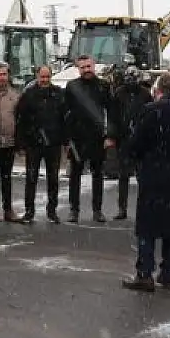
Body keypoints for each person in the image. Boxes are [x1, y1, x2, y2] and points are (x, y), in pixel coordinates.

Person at [121, 73, 170, 292]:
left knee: (147, 227)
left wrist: (136, 156)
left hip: (154, 174)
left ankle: (145, 273)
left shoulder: (151, 111)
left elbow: (137, 143)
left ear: (159, 90)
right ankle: (168, 272)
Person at [63, 54, 114, 223]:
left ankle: (97, 210)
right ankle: (74, 210)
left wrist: (110, 136)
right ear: (78, 68)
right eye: (83, 67)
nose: (86, 70)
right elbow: (65, 114)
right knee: (75, 176)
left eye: (89, 66)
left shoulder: (104, 86)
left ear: (94, 66)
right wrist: (67, 140)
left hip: (97, 137)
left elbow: (112, 113)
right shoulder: (71, 87)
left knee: (98, 175)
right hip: (77, 139)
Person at [15, 65, 66, 224]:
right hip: (34, 143)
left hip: (53, 143)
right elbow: (21, 120)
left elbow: (65, 118)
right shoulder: (28, 95)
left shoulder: (58, 93)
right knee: (31, 178)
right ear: (37, 76)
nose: (45, 80)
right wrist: (21, 143)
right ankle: (29, 211)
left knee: (53, 179)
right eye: (42, 77)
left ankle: (52, 211)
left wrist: (64, 140)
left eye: (47, 77)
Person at [109, 66, 153, 220]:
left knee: (143, 176)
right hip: (124, 139)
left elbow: (150, 115)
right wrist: (112, 136)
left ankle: (145, 208)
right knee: (123, 175)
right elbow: (113, 117)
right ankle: (122, 208)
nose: (131, 80)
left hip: (141, 140)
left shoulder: (145, 94)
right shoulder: (119, 93)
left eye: (133, 78)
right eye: (128, 77)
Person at [0, 62, 21, 224]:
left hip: (9, 143)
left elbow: (20, 119)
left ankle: (8, 209)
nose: (2, 77)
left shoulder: (15, 95)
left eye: (4, 74)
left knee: (7, 179)